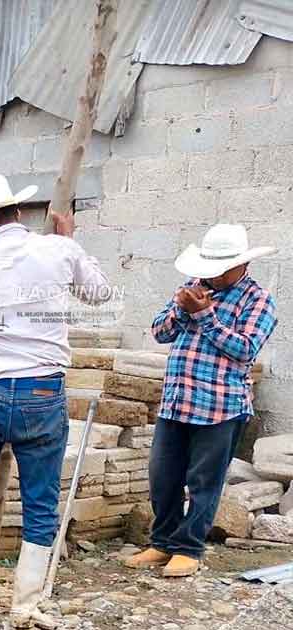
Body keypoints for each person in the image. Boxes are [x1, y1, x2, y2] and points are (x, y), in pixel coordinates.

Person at [0, 174, 111, 627]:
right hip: (41, 392)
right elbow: (100, 293)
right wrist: (71, 240)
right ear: (15, 212)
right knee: (40, 501)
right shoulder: (58, 249)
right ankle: (26, 604)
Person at [126, 224, 278, 578]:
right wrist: (182, 309)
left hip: (220, 406)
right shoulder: (193, 287)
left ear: (241, 265)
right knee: (163, 476)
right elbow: (160, 332)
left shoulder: (257, 300)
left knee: (203, 482)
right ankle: (162, 542)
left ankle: (189, 548)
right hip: (177, 401)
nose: (213, 274)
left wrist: (203, 316)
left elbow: (245, 350)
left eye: (222, 267)